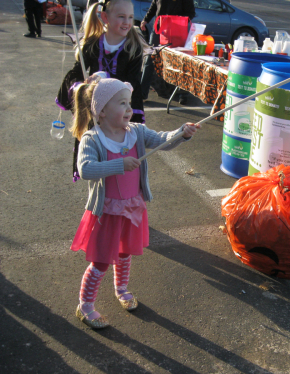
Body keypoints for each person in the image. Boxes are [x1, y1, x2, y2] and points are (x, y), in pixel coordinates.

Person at [70, 75, 199, 329]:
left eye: (129, 103)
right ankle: (85, 306)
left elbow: (163, 140)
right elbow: (85, 169)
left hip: (132, 207)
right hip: (107, 211)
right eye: (122, 104)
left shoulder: (136, 132)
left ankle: (122, 289)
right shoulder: (92, 139)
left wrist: (181, 133)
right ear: (102, 112)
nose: (129, 109)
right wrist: (118, 164)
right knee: (101, 261)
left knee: (125, 251)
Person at [57, 0, 147, 182]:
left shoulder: (133, 47)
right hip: (95, 110)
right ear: (105, 17)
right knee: (96, 153)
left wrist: (105, 79)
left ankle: (119, 185)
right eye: (121, 16)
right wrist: (80, 86)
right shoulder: (92, 43)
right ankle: (99, 190)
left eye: (130, 17)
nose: (127, 22)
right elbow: (76, 72)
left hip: (119, 110)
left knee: (118, 151)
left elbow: (133, 82)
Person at [139, 0, 195, 102]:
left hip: (177, 30)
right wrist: (146, 20)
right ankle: (142, 93)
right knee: (150, 59)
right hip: (159, 30)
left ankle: (182, 94)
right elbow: (154, 6)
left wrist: (175, 20)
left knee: (179, 61)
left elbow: (191, 13)